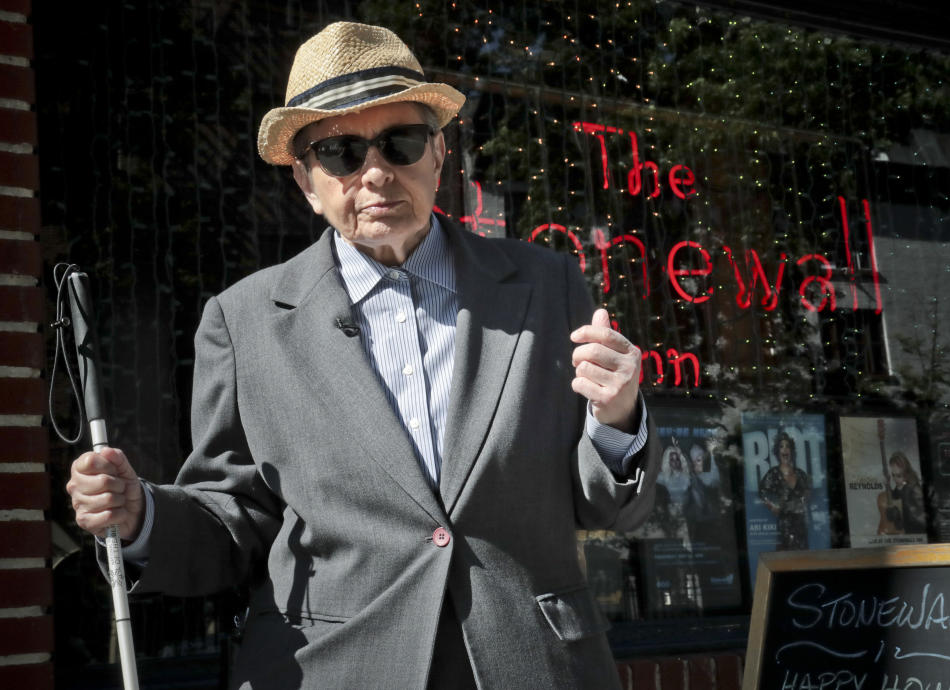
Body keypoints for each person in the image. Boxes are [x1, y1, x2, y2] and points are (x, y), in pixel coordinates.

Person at [66, 21, 661, 690]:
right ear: (306, 183)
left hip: (532, 663)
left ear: (438, 155)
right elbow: (239, 519)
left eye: (399, 143)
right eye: (341, 153)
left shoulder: (546, 286)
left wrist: (616, 421)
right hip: (332, 670)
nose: (376, 172)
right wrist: (141, 514)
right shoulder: (244, 321)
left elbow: (606, 507)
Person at [758, 430, 810, 550]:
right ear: (777, 452)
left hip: (801, 528)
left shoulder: (801, 474)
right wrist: (773, 506)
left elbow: (807, 495)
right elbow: (762, 493)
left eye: (788, 446)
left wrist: (801, 503)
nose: (785, 449)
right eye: (781, 446)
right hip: (784, 529)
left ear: (791, 451)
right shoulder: (773, 474)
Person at [888, 451, 925, 535]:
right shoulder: (901, 486)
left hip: (916, 532)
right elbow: (894, 498)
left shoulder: (912, 488)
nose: (895, 479)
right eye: (893, 475)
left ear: (906, 473)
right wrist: (888, 485)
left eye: (898, 476)